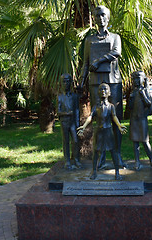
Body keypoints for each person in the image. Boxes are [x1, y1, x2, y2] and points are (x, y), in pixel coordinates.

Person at [80, 5, 126, 168]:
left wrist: (99, 61)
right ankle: (100, 156)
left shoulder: (115, 37)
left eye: (103, 15)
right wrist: (81, 81)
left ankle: (118, 155)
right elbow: (86, 63)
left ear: (108, 17)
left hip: (113, 81)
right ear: (95, 18)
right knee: (99, 118)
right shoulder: (89, 40)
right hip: (95, 82)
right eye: (98, 16)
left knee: (115, 118)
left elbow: (117, 52)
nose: (100, 18)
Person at [77, 84, 127, 180]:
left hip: (108, 131)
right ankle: (94, 171)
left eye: (105, 89)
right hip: (98, 132)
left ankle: (117, 172)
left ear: (109, 92)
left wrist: (119, 126)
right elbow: (91, 117)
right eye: (101, 89)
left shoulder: (111, 106)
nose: (103, 91)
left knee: (113, 152)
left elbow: (114, 117)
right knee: (96, 152)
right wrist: (83, 126)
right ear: (98, 92)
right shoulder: (96, 106)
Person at [128, 71, 152, 170]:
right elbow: (129, 107)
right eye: (134, 79)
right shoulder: (133, 92)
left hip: (142, 119)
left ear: (143, 80)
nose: (135, 81)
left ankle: (151, 160)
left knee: (145, 142)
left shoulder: (145, 91)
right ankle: (137, 161)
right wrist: (130, 99)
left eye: (137, 78)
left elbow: (149, 105)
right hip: (134, 119)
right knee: (135, 142)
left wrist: (143, 95)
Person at [57, 73, 82, 170]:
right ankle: (67, 161)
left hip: (73, 123)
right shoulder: (59, 97)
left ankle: (76, 159)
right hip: (64, 122)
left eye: (68, 81)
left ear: (71, 83)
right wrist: (67, 113)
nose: (66, 83)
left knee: (75, 141)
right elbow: (58, 112)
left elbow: (77, 110)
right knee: (66, 141)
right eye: (64, 81)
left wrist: (77, 123)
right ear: (61, 83)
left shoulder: (74, 96)